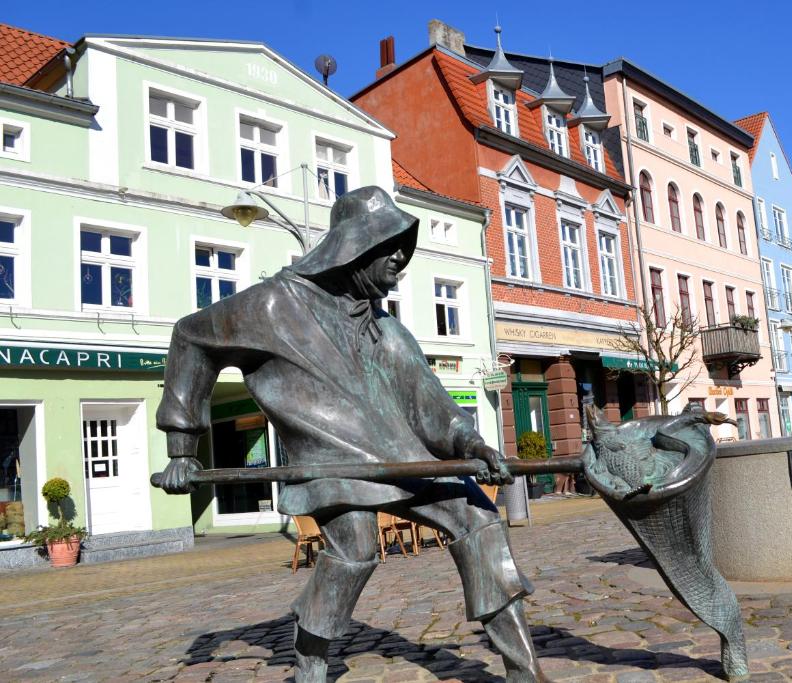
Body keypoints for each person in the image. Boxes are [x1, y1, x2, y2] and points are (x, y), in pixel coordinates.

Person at [155, 186, 548, 682]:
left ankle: (523, 671)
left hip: (407, 463)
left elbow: (433, 407)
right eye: (389, 246)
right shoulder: (275, 306)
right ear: (353, 248)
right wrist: (181, 446)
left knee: (480, 519)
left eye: (403, 247)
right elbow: (191, 338)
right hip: (332, 465)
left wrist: (472, 445)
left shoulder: (389, 331)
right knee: (356, 550)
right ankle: (311, 656)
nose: (399, 259)